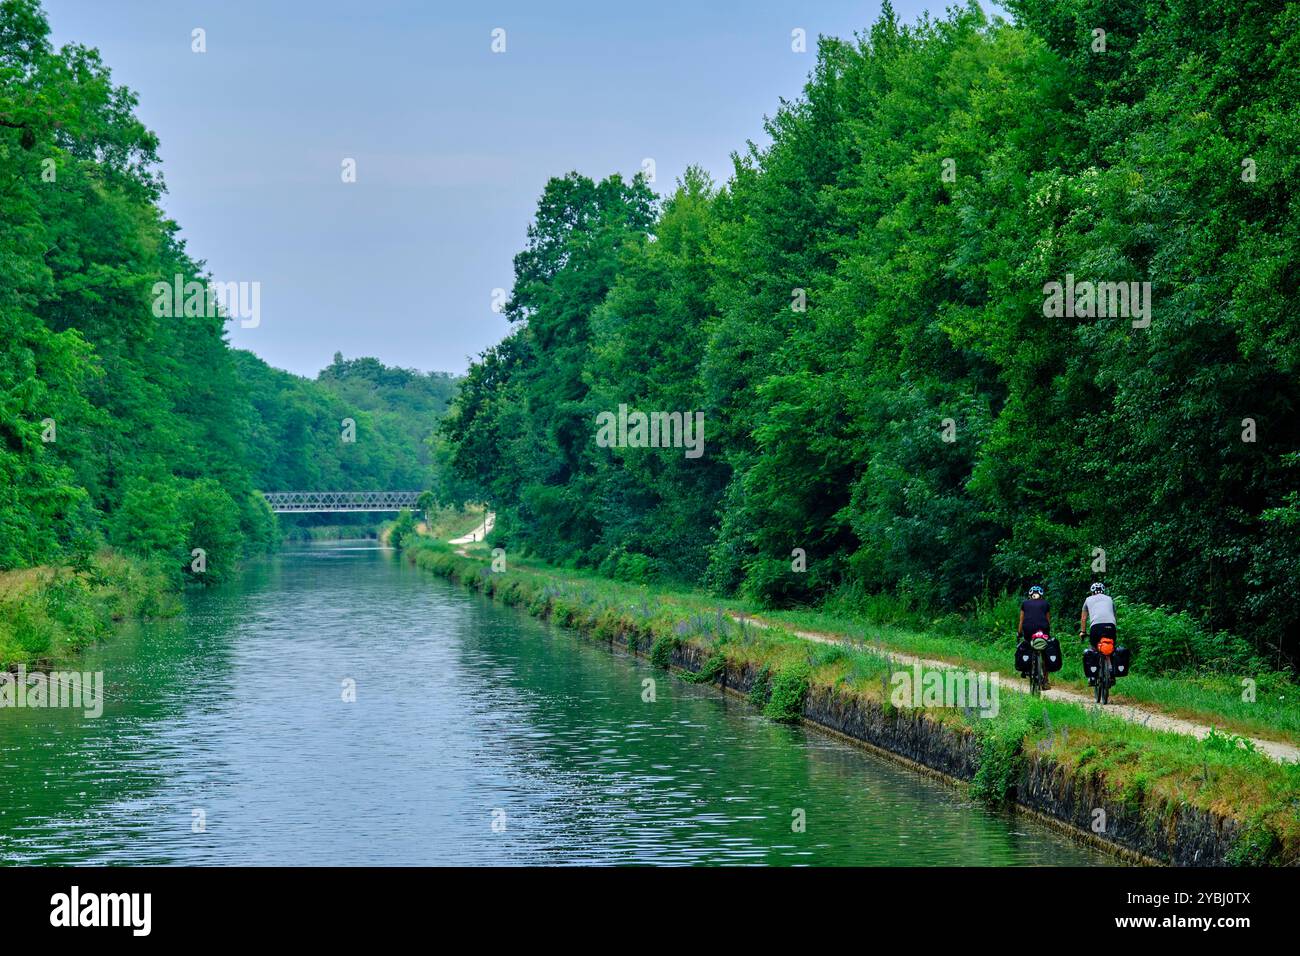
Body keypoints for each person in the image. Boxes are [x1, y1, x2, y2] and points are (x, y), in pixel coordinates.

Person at [1018, 585, 1052, 688]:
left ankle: (1026, 669)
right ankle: (1045, 680)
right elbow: (1048, 621)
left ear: (1030, 595)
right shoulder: (1046, 604)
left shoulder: (1025, 603)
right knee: (1045, 652)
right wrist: (1048, 634)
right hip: (1043, 630)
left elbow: (1021, 621)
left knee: (1028, 647)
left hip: (1028, 630)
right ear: (1041, 595)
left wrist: (1019, 633)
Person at [1080, 582, 1117, 649]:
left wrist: (1083, 632)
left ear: (1092, 592)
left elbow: (1083, 618)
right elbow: (1114, 616)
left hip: (1096, 627)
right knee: (1112, 647)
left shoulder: (1088, 599)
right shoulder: (1109, 599)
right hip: (1111, 626)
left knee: (1093, 649)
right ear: (1103, 591)